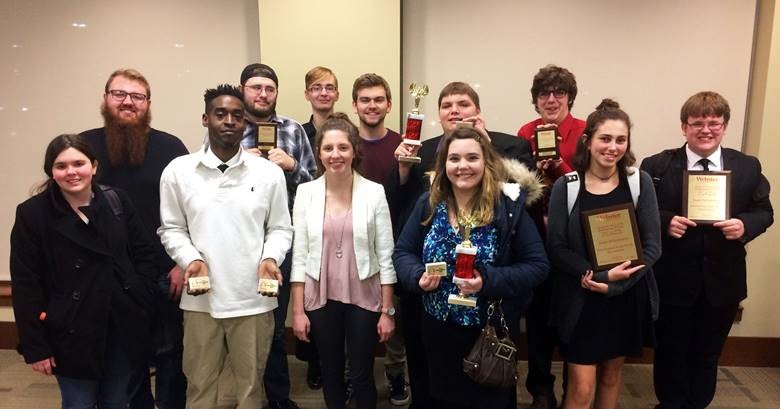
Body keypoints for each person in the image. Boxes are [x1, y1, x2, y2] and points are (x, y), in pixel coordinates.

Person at [387, 81, 534, 408]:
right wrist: (415, 277)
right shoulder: (424, 175)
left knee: (488, 396)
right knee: (436, 393)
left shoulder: (507, 187)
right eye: (454, 159)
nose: (462, 166)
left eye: (472, 157)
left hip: (489, 324)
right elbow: (404, 241)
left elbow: (535, 262)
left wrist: (488, 280)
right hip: (436, 320)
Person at [158, 84, 293, 409]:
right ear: (206, 119)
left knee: (250, 389)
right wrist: (190, 259)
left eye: (237, 115)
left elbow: (279, 228)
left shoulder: (269, 173)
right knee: (201, 386)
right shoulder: (178, 171)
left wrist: (270, 257)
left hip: (254, 301)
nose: (229, 121)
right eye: (221, 114)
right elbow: (172, 228)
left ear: (245, 122)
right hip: (201, 303)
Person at [640, 91, 773, 409]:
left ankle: (697, 404)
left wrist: (744, 226)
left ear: (725, 126)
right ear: (684, 127)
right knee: (670, 350)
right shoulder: (657, 165)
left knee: (707, 352)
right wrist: (665, 222)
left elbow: (764, 212)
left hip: (722, 281)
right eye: (697, 122)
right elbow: (639, 210)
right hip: (672, 278)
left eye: (714, 123)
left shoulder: (747, 166)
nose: (706, 129)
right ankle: (671, 404)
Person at [10, 134, 157, 409]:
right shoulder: (33, 213)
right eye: (61, 166)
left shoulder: (117, 202)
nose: (71, 172)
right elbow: (25, 283)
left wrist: (139, 294)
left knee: (117, 401)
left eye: (79, 163)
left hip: (121, 324)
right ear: (51, 172)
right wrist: (36, 347)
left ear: (94, 166)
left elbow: (144, 253)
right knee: (79, 402)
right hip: (70, 330)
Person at [81, 68, 189, 409]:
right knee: (124, 360)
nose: (128, 102)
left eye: (137, 96)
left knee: (172, 354)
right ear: (105, 99)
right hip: (106, 278)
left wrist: (181, 263)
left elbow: (192, 210)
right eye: (119, 94)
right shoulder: (84, 148)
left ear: (148, 104)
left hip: (163, 273)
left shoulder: (171, 148)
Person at [546, 99, 662, 409]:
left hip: (624, 296)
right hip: (581, 300)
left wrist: (615, 284)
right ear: (589, 141)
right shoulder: (566, 186)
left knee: (612, 377)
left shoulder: (640, 183)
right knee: (582, 390)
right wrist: (598, 276)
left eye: (620, 139)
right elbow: (556, 247)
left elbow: (652, 246)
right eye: (605, 138)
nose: (613, 147)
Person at [291, 113, 397, 409]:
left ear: (354, 151)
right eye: (328, 148)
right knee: (331, 371)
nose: (335, 155)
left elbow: (386, 255)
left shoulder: (374, 193)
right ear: (319, 152)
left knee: (362, 373)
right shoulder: (305, 193)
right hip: (320, 296)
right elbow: (299, 255)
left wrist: (388, 311)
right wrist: (297, 312)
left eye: (342, 148)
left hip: (364, 295)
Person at [239, 63, 317, 409]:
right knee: (243, 324)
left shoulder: (294, 130)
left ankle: (279, 397)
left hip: (282, 241)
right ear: (244, 90)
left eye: (269, 88)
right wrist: (238, 164)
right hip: (238, 243)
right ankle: (248, 395)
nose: (262, 94)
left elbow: (315, 182)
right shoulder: (227, 128)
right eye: (256, 87)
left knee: (272, 322)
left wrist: (292, 167)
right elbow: (207, 182)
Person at [517, 64, 585, 409]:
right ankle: (540, 389)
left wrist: (559, 166)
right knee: (540, 320)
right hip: (537, 241)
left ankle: (575, 389)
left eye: (559, 92)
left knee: (574, 319)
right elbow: (515, 188)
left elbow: (592, 187)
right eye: (544, 93)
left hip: (576, 244)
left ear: (570, 97)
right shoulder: (524, 132)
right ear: (535, 100)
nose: (552, 99)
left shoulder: (587, 132)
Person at [351, 72, 409, 405]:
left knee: (394, 317)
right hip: (351, 245)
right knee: (350, 314)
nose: (372, 106)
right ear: (355, 104)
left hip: (393, 244)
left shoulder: (403, 145)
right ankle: (352, 375)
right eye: (365, 99)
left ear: (388, 103)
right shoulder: (344, 143)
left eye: (378, 99)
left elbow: (410, 196)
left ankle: (396, 373)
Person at [302, 66, 340, 150]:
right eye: (316, 88)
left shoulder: (350, 133)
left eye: (329, 88)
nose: (324, 93)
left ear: (337, 95)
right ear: (307, 95)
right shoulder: (300, 135)